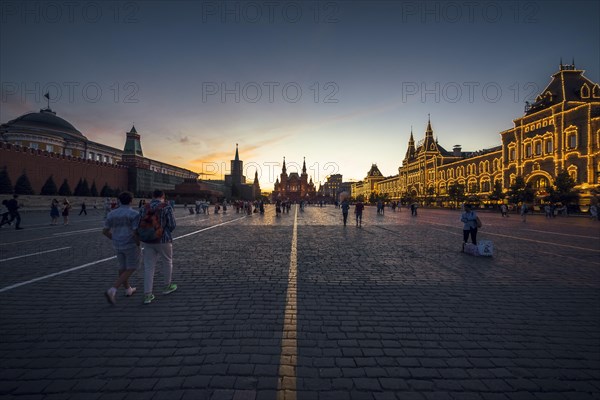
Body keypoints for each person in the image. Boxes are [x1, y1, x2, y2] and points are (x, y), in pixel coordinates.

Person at [140, 189, 177, 305]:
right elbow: (172, 224)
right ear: (163, 196)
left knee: (149, 266)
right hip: (163, 239)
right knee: (167, 262)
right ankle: (167, 286)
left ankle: (147, 294)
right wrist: (163, 232)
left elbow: (139, 223)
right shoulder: (166, 206)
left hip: (148, 240)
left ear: (152, 196)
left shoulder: (144, 207)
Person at [102, 191, 141, 304]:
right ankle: (113, 289)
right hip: (130, 244)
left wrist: (114, 238)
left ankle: (128, 289)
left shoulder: (111, 214)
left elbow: (104, 231)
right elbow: (135, 232)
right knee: (132, 267)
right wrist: (138, 242)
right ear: (131, 201)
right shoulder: (134, 214)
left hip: (117, 244)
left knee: (122, 267)